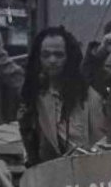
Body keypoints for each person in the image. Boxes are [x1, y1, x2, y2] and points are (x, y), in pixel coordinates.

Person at [19, 26, 92, 164]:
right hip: (50, 173)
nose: (52, 60)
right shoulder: (33, 91)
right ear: (38, 58)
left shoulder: (85, 93)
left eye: (59, 55)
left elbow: (93, 67)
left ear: (68, 57)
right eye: (46, 55)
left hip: (87, 170)